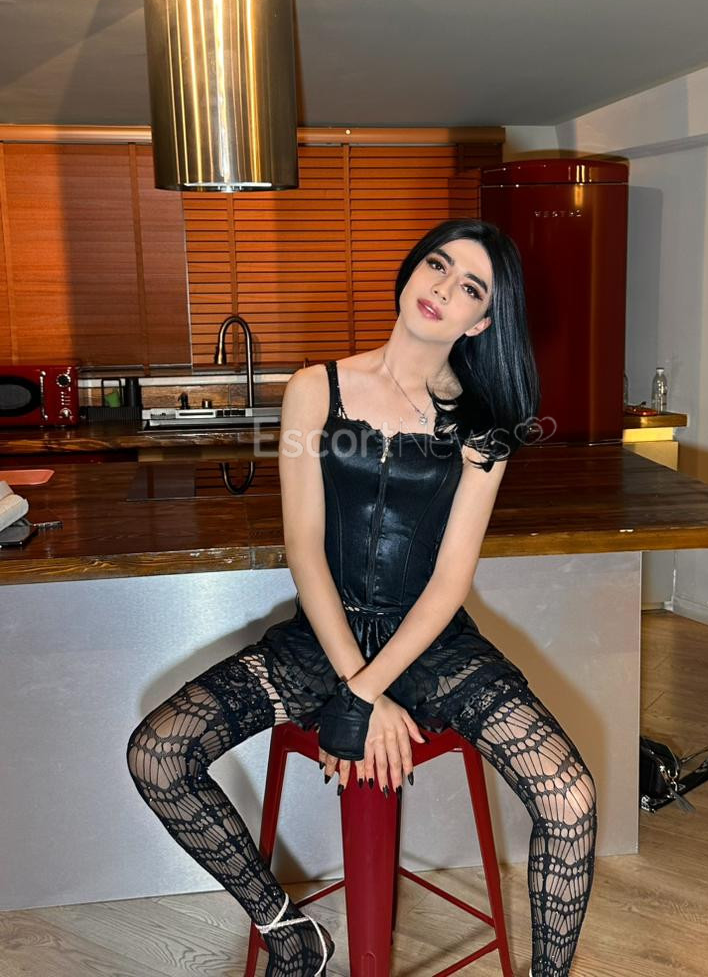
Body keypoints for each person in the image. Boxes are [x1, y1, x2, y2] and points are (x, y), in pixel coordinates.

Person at [126, 218, 598, 977]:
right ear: (410, 271)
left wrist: (366, 693)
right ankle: (291, 936)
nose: (442, 288)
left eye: (469, 287)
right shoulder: (314, 389)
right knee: (157, 754)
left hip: (430, 644)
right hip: (321, 638)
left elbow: (450, 580)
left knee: (570, 802)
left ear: (482, 321)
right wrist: (354, 684)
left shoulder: (484, 427)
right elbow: (305, 549)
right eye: (437, 265)